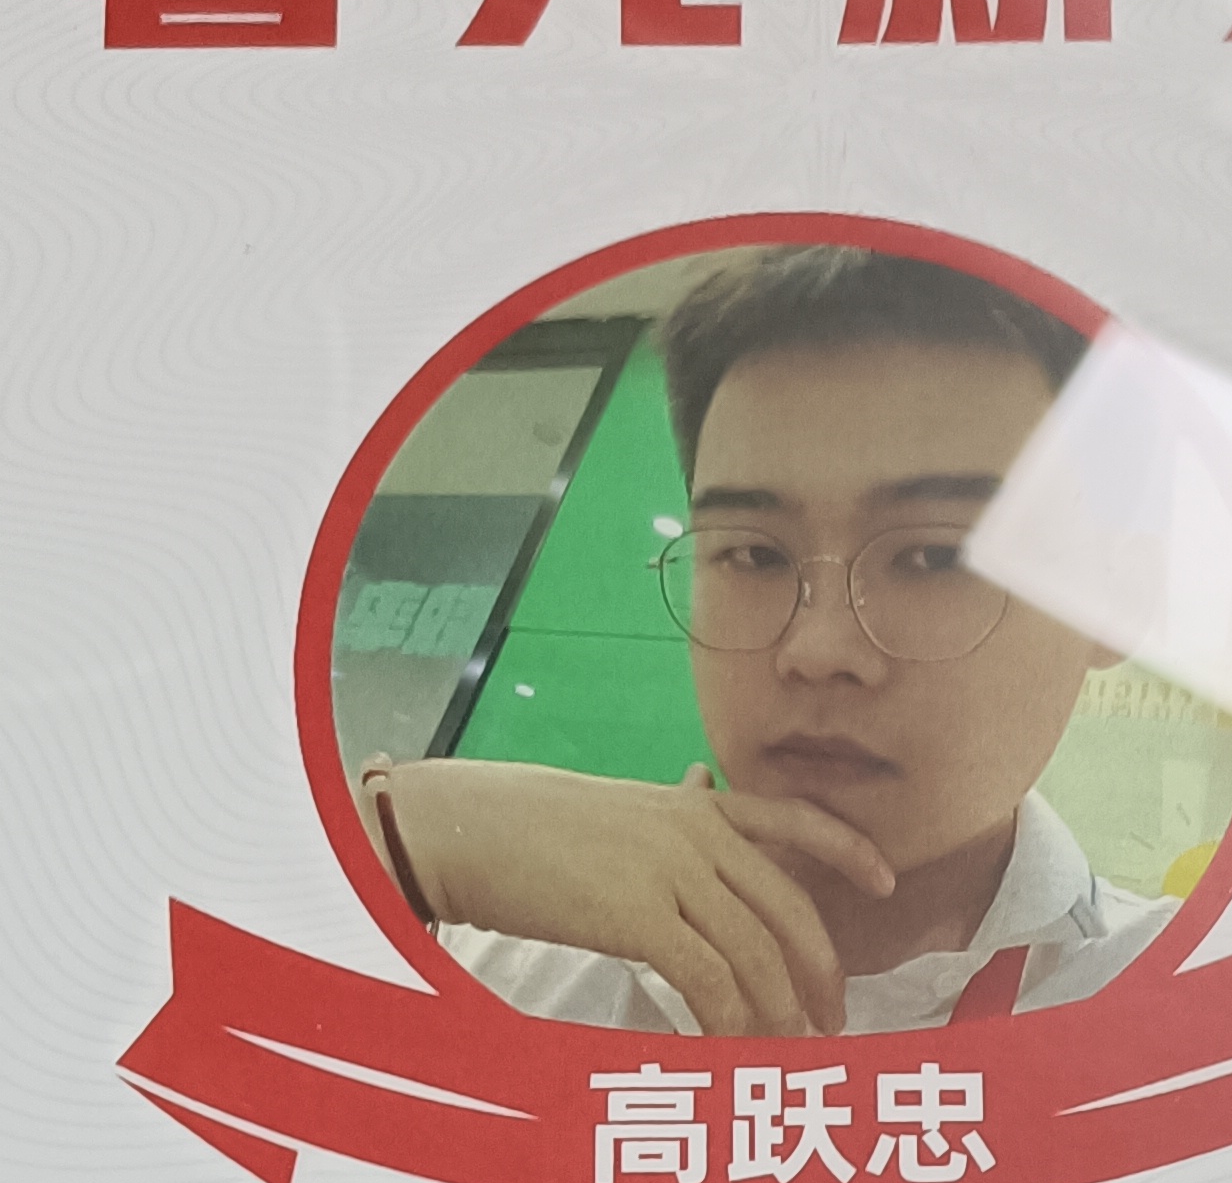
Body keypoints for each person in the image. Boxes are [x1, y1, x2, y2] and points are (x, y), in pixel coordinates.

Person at [354, 243, 1179, 1035]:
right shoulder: (486, 967)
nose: (817, 649)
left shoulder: (1195, 1011)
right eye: (755, 555)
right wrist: (398, 835)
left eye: (935, 556)